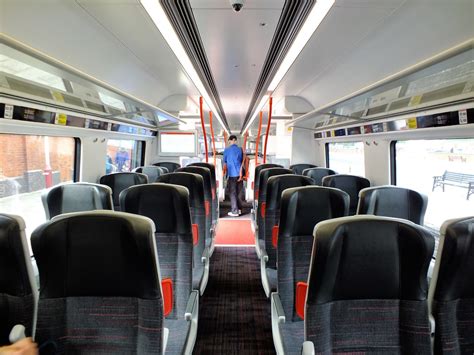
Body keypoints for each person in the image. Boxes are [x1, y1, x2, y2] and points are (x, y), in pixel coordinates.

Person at [223, 135, 243, 217]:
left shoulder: (227, 150)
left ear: (230, 141)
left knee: (232, 193)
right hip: (240, 174)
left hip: (232, 174)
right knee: (238, 192)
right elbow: (241, 160)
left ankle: (234, 211)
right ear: (235, 140)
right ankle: (239, 209)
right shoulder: (239, 149)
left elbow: (225, 161)